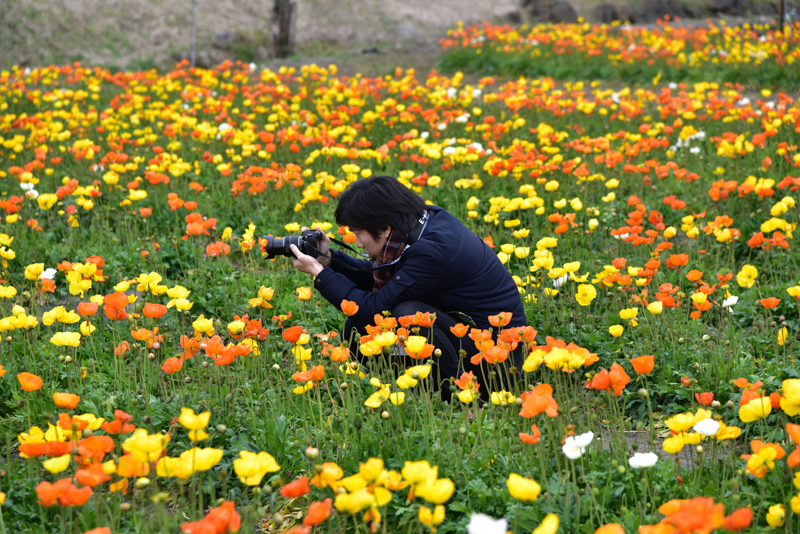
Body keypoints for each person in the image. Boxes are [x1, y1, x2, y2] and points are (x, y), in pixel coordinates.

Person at [289, 175, 527, 398]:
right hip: (475, 343)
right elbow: (387, 285)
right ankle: (404, 385)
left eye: (358, 233)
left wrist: (320, 274)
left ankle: (461, 396)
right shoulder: (423, 225)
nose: (357, 241)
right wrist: (329, 260)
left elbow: (375, 312)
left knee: (408, 315)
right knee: (356, 328)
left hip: (498, 364)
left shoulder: (430, 252)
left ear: (385, 228)